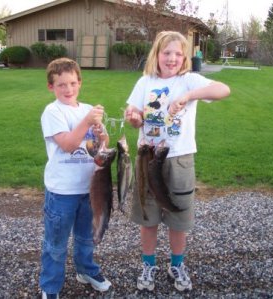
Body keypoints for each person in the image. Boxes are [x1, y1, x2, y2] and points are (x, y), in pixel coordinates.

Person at [124, 31, 230, 292]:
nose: (172, 58)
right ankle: (148, 264)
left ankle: (177, 264)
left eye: (178, 54)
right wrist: (134, 118)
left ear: (184, 58)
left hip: (180, 158)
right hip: (147, 157)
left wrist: (188, 96)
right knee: (147, 214)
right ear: (156, 55)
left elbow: (223, 89)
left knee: (178, 214)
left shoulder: (189, 80)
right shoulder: (145, 82)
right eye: (166, 53)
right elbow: (134, 114)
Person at [40, 57, 112, 299]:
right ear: (51, 87)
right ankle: (50, 286)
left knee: (85, 238)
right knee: (56, 244)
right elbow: (69, 145)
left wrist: (101, 134)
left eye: (72, 83)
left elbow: (102, 144)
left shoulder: (86, 109)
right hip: (62, 191)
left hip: (89, 188)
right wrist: (88, 121)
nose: (68, 89)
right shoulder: (52, 112)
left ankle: (86, 270)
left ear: (80, 83)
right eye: (61, 85)